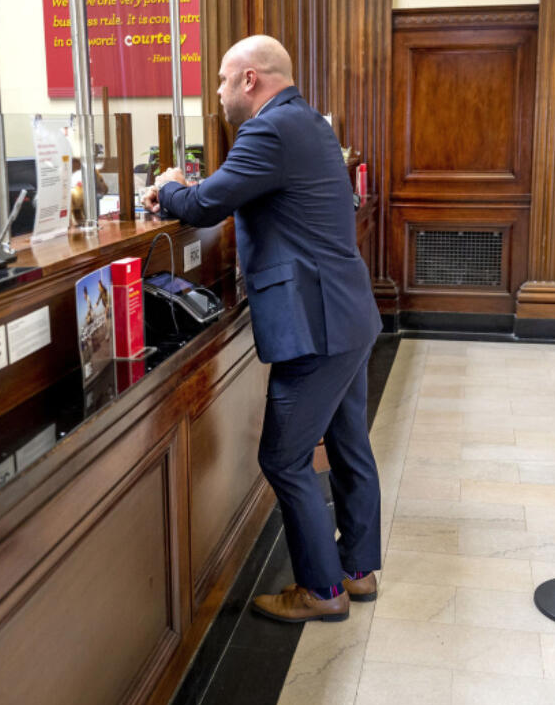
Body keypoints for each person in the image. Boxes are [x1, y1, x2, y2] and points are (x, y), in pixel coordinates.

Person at [143, 35, 382, 623]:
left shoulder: (269, 131)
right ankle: (357, 568)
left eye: (223, 81)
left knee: (283, 457)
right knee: (350, 446)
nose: (219, 94)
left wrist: (168, 183)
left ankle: (322, 591)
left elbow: (202, 206)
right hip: (346, 315)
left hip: (317, 326)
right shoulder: (309, 123)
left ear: (250, 79)